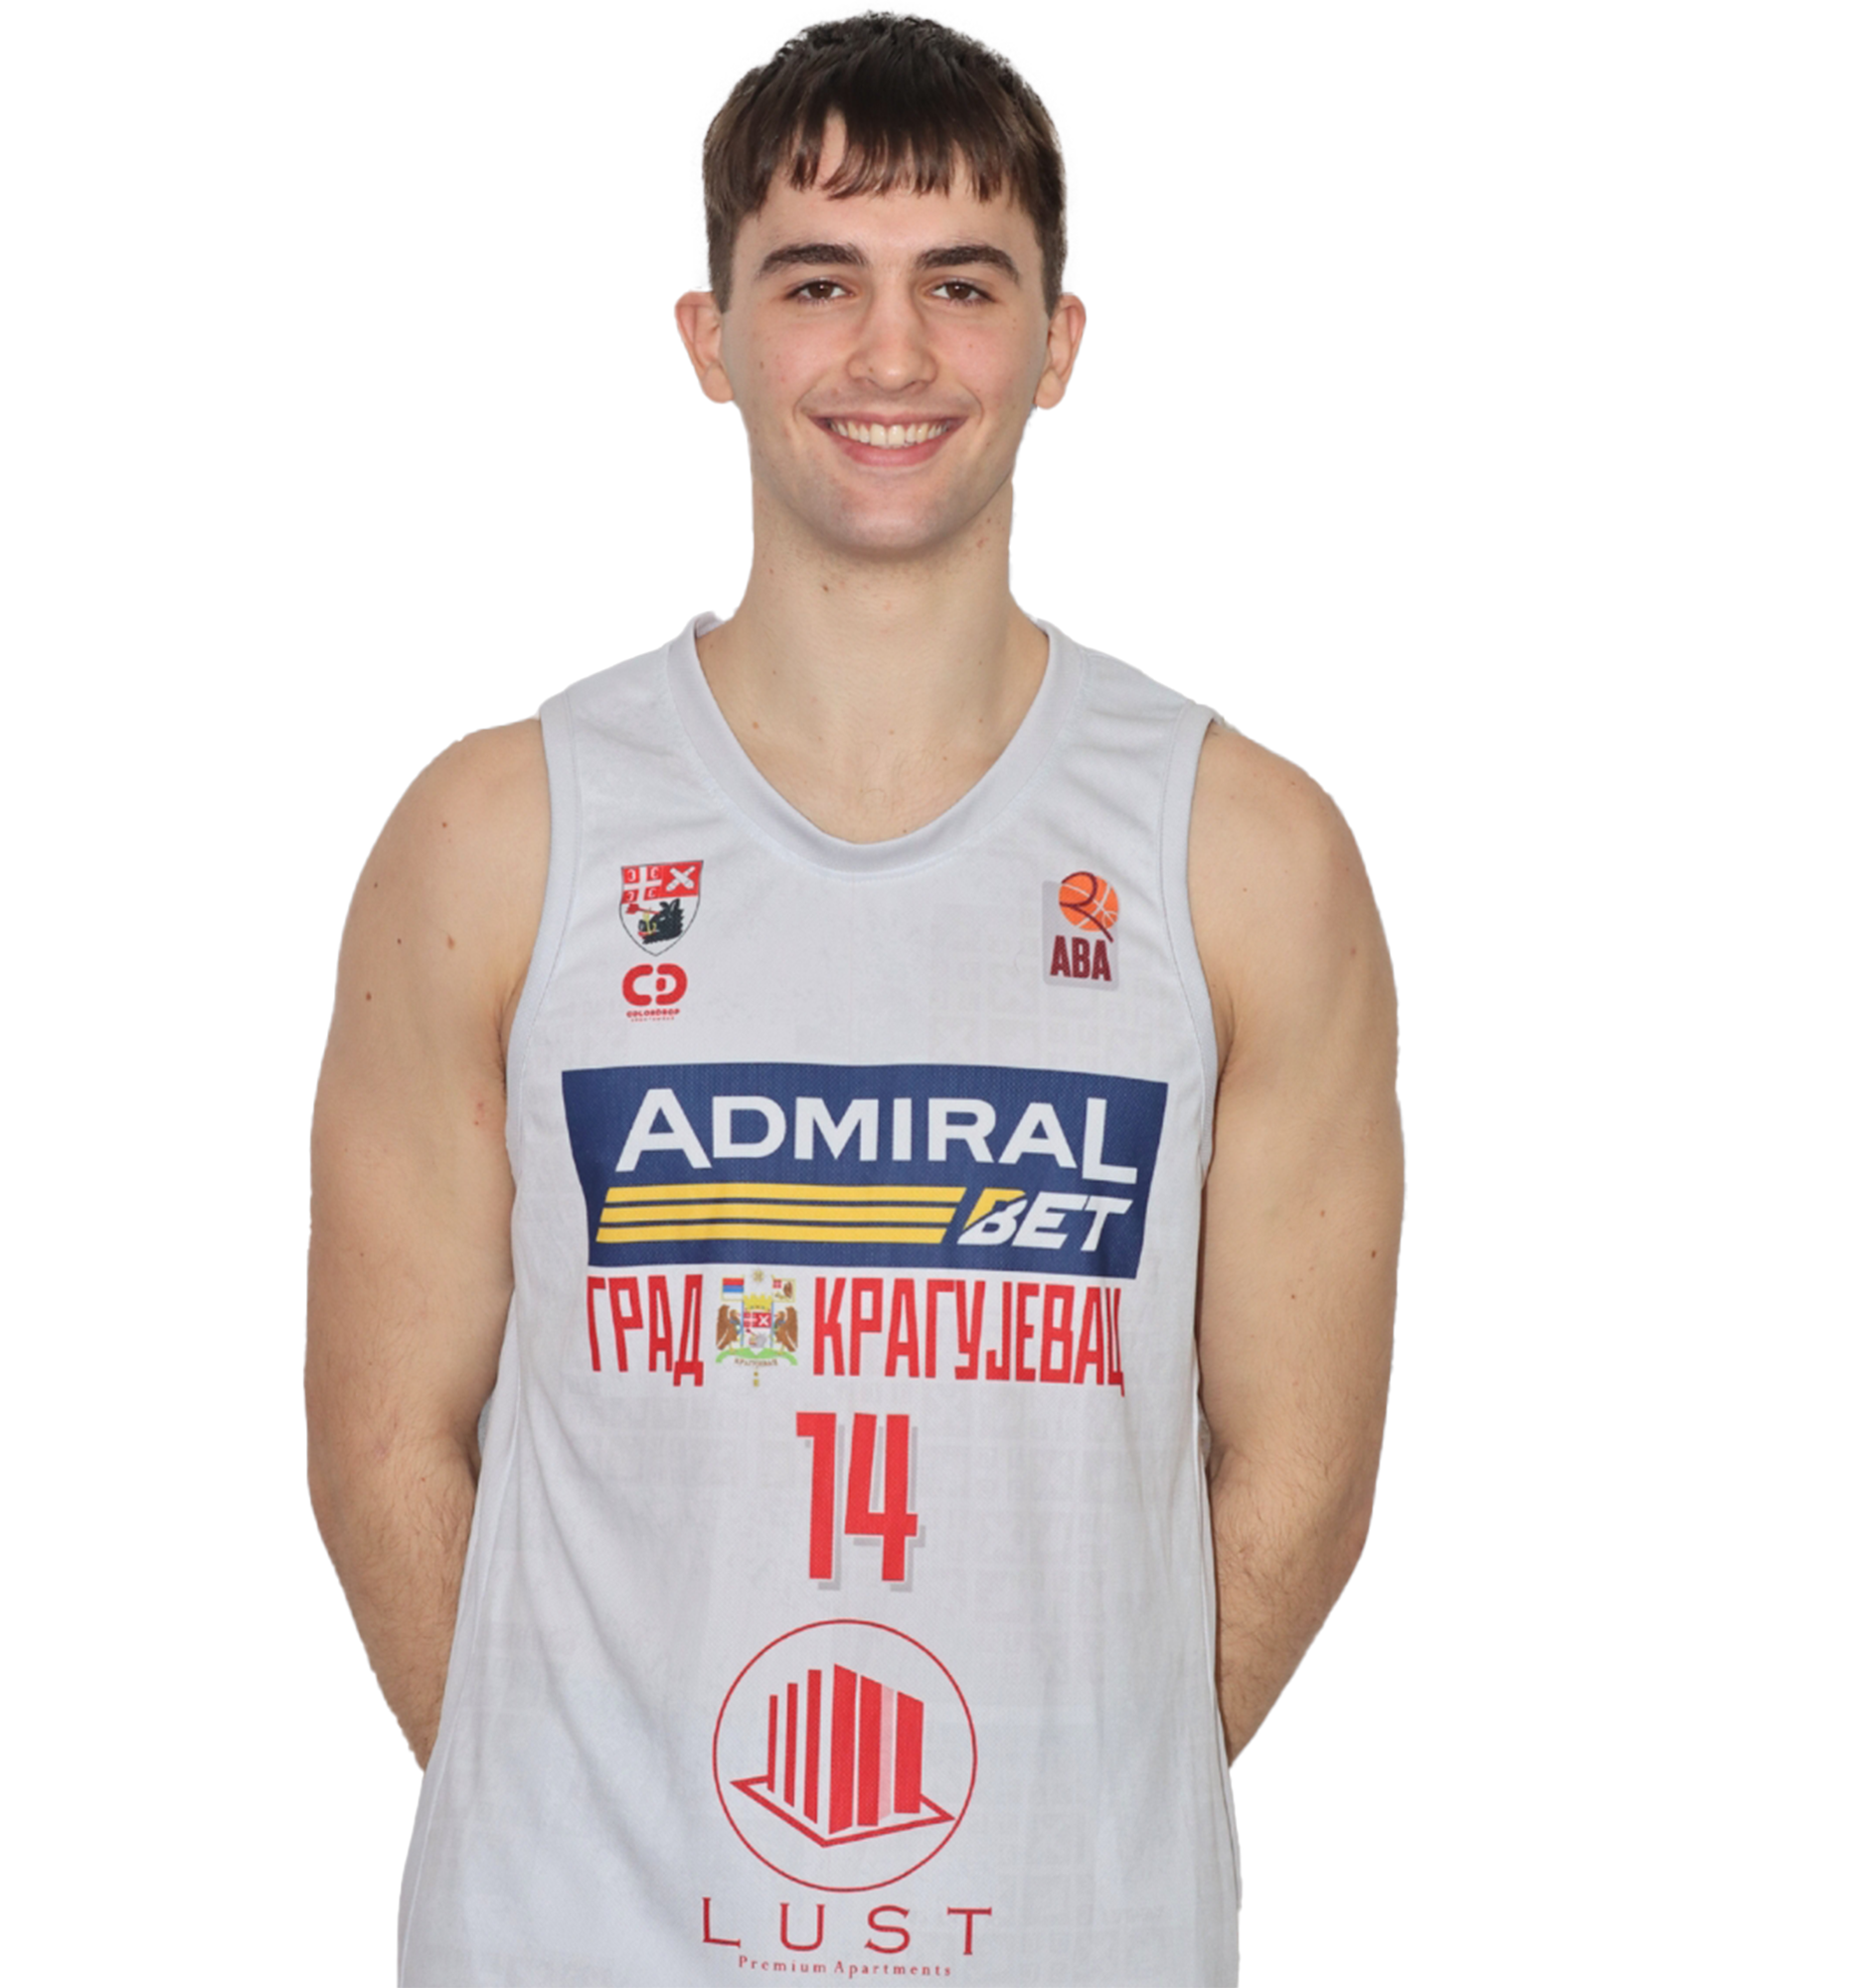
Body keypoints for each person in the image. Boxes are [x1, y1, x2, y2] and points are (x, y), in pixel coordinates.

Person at [303, 8, 1405, 1982]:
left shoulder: (1245, 853)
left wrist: (1078, 1812)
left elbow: (1304, 1471)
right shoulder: (495, 836)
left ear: (1058, 342)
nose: (890, 356)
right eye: (818, 282)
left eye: (960, 286)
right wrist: (564, 1816)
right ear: (707, 337)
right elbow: (382, 1436)